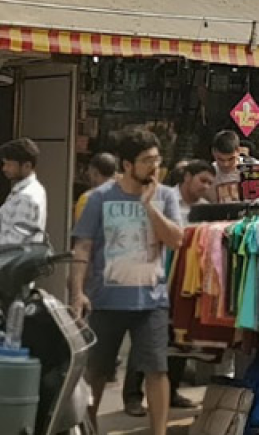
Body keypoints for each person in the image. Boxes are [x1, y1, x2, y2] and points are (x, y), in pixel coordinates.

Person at [70, 128, 183, 435]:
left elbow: (175, 240)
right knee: (97, 371)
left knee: (157, 370)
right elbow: (82, 247)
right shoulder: (98, 199)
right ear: (127, 164)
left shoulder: (166, 196)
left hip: (152, 300)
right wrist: (77, 292)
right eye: (146, 161)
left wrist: (149, 207)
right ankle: (89, 428)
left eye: (157, 160)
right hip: (106, 299)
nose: (154, 167)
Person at [121, 159, 213, 415]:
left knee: (178, 337)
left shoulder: (205, 209)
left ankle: (170, 392)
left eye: (209, 183)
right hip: (153, 276)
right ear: (186, 177)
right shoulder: (163, 199)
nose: (205, 187)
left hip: (184, 281)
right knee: (144, 339)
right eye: (202, 180)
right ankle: (132, 396)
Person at [75, 152, 119, 221]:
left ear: (95, 172)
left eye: (89, 172)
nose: (88, 174)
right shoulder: (126, 197)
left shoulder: (87, 199)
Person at [208, 130, 244, 203]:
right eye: (220, 159)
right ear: (213, 152)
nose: (225, 164)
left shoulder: (253, 168)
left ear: (238, 151)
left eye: (231, 159)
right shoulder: (208, 174)